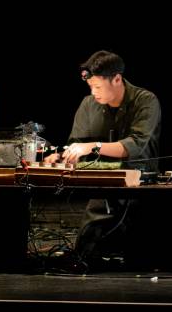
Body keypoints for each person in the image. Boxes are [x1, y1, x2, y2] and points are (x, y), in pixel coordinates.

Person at [44, 50, 162, 260]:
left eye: (98, 86)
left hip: (141, 184)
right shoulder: (88, 104)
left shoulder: (146, 101)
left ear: (117, 79)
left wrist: (94, 146)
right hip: (100, 180)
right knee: (88, 248)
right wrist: (62, 156)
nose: (94, 92)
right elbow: (76, 144)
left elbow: (135, 145)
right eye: (90, 86)